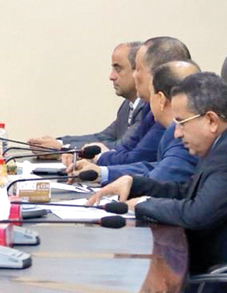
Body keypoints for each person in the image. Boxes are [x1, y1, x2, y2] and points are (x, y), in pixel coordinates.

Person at [87, 72, 227, 274]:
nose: (177, 133)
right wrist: (134, 183)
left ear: (211, 121)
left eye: (181, 123)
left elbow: (195, 214)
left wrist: (142, 204)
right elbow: (187, 191)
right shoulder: (224, 144)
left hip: (225, 278)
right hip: (208, 266)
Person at [69, 61, 200, 184]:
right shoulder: (171, 129)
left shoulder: (182, 134)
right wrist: (102, 172)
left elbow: (157, 179)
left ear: (160, 99)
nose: (135, 75)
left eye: (151, 94)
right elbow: (156, 167)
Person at [90, 36, 191, 167]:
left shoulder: (171, 115)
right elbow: (127, 148)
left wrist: (100, 158)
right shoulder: (149, 108)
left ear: (157, 73)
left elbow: (137, 159)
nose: (134, 75)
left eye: (138, 69)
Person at [28, 42, 146, 151]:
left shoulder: (147, 108)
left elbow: (121, 146)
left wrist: (62, 148)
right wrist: (58, 142)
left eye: (118, 68)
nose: (111, 76)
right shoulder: (128, 104)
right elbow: (103, 137)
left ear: (138, 70)